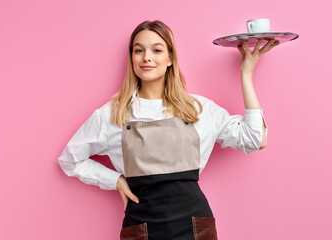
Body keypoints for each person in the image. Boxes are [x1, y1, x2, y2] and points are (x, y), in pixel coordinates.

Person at [57, 20, 277, 240]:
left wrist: (246, 74)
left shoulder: (198, 109)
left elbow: (254, 138)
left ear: (170, 58)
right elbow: (70, 159)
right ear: (131, 58)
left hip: (194, 227)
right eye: (138, 50)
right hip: (142, 229)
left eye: (157, 50)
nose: (147, 58)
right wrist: (116, 180)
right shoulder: (113, 115)